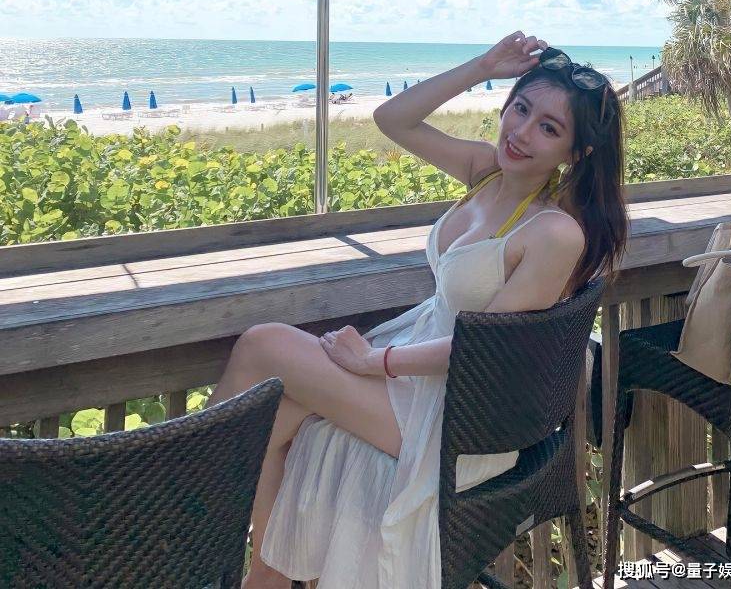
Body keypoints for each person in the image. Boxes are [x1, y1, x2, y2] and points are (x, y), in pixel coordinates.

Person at [205, 31, 627, 589]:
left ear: (576, 153)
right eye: (520, 108)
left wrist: (374, 362)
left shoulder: (554, 231)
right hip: (421, 371)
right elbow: (392, 119)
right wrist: (482, 66)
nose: (521, 132)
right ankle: (264, 578)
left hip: (463, 415)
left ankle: (178, 505)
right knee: (272, 422)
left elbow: (484, 352)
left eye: (549, 128)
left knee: (263, 344)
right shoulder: (488, 172)